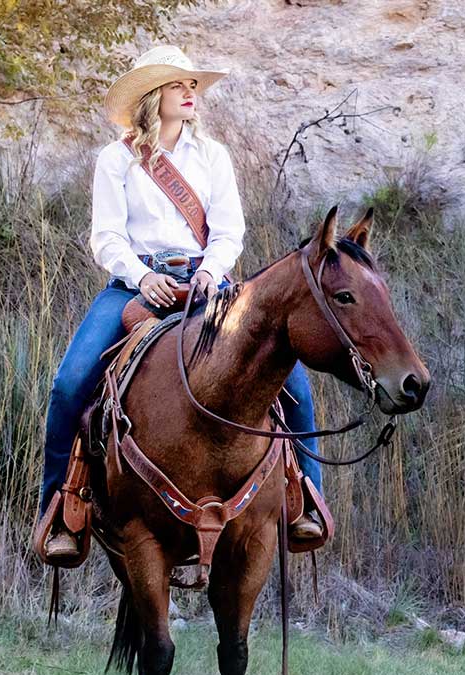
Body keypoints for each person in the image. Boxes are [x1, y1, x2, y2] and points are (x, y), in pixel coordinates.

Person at [39, 45, 324, 558]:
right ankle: (61, 512)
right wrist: (142, 277)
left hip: (210, 284)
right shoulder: (117, 159)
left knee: (293, 382)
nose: (190, 93)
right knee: (69, 385)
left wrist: (212, 273)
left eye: (192, 85)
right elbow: (106, 238)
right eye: (178, 85)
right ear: (153, 96)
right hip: (135, 285)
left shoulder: (212, 155)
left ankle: (306, 501)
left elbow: (229, 231)